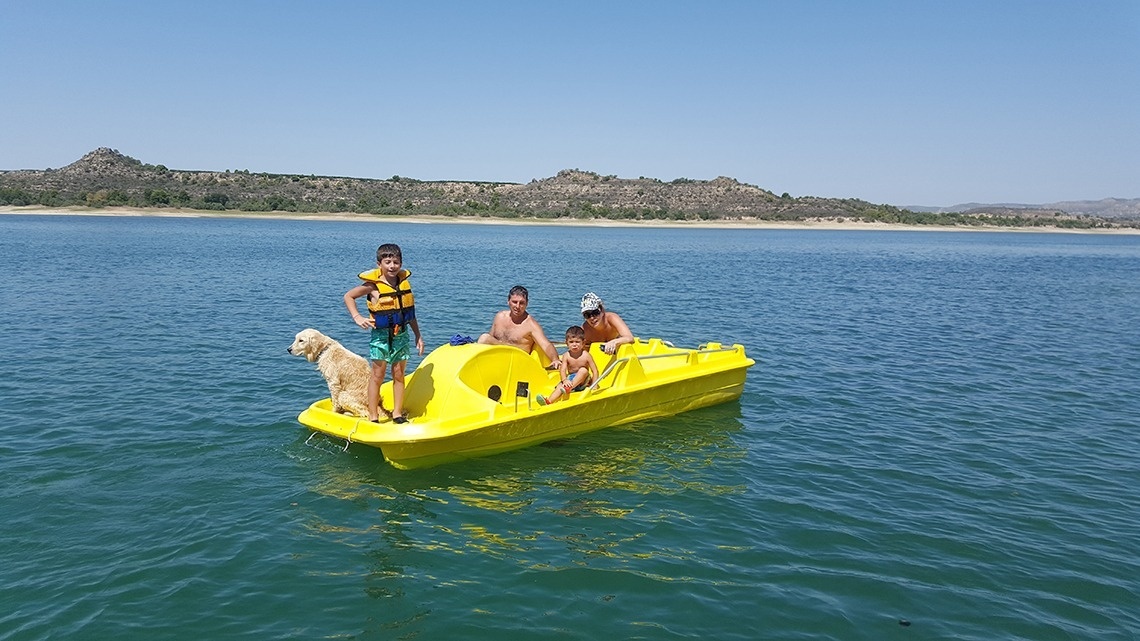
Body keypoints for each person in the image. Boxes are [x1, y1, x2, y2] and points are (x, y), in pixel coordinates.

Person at [344, 243, 424, 424]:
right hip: (380, 336)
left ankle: (397, 413)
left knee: (398, 374)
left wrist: (418, 336)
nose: (392, 266)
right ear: (379, 263)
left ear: (401, 263)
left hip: (401, 335)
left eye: (396, 262)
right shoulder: (373, 286)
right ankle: (373, 415)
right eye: (387, 262)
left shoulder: (403, 284)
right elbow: (348, 296)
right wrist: (357, 317)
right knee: (377, 375)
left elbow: (409, 313)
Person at [477, 285, 561, 368]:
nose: (517, 306)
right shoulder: (499, 317)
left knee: (484, 338)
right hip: (497, 359)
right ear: (508, 301)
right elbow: (490, 339)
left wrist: (555, 359)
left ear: (527, 304)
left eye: (521, 303)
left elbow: (546, 344)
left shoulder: (531, 325)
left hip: (518, 364)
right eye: (514, 302)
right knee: (484, 338)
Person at [537, 325, 600, 405]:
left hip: (583, 381)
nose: (574, 345)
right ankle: (549, 401)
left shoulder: (586, 355)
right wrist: (564, 380)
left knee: (583, 370)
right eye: (571, 342)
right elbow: (562, 370)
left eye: (577, 342)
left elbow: (595, 370)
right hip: (570, 380)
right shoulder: (566, 355)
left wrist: (595, 385)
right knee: (560, 385)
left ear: (583, 343)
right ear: (566, 343)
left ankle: (569, 388)